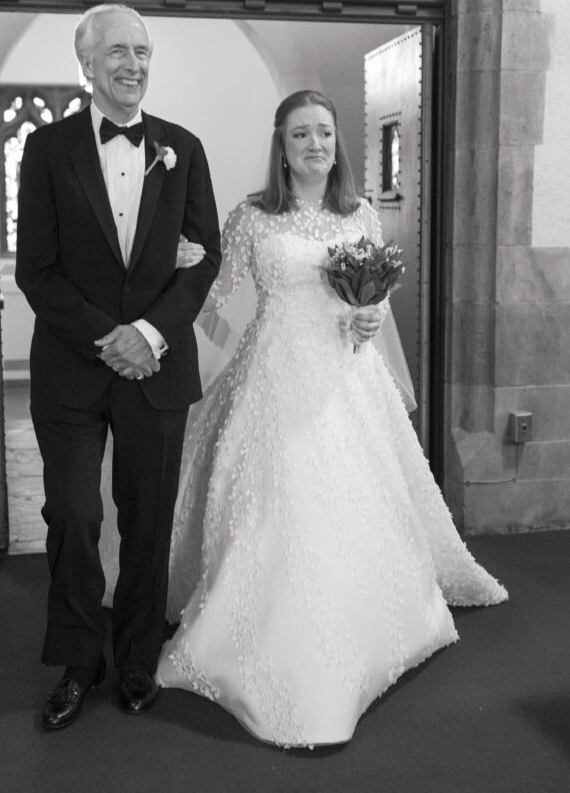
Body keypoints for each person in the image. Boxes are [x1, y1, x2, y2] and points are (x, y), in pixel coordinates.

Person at [156, 89, 507, 747]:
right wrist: (180, 266)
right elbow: (217, 299)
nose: (313, 144)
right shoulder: (253, 218)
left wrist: (371, 316)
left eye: (322, 133)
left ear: (335, 143)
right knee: (272, 502)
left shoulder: (361, 215)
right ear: (280, 149)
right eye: (299, 135)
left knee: (355, 499)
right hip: (272, 379)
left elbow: (374, 298)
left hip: (346, 377)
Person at [15, 4, 221, 730]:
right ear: (87, 63)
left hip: (157, 369)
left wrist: (150, 335)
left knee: (148, 517)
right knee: (72, 513)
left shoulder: (183, 148)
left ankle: (137, 657)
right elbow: (36, 272)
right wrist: (111, 336)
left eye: (141, 51)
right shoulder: (46, 149)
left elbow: (204, 260)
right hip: (73, 368)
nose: (132, 64)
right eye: (117, 52)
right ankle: (78, 660)